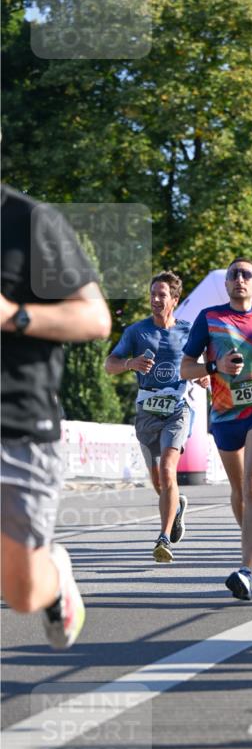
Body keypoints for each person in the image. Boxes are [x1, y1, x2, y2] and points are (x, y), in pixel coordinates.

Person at [1, 185, 111, 649]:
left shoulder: (27, 220)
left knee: (23, 594)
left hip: (17, 427)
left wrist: (12, 317)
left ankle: (54, 575)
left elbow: (94, 318)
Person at [180, 257, 252, 601]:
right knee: (238, 490)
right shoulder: (210, 318)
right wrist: (214, 365)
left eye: (247, 275)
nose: (240, 279)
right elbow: (186, 367)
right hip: (226, 414)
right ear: (227, 284)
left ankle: (245, 571)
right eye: (234, 275)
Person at [105, 271, 208, 563]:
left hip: (178, 409)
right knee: (157, 480)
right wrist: (130, 363)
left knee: (167, 470)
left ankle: (163, 538)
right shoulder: (136, 332)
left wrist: (203, 377)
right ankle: (176, 507)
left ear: (174, 300)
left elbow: (201, 365)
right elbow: (109, 365)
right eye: (152, 294)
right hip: (147, 411)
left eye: (162, 295)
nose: (155, 299)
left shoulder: (188, 331)